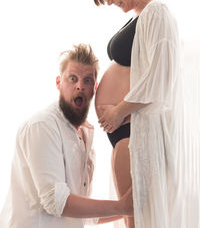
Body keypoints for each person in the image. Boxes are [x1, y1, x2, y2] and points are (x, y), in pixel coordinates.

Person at [90, 0, 189, 228]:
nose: (110, 2)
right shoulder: (139, 15)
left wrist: (119, 110)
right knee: (135, 219)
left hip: (135, 132)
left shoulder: (157, 12)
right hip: (126, 132)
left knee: (141, 220)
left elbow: (160, 78)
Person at [0, 44, 133, 228]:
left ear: (94, 88)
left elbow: (82, 216)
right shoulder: (42, 126)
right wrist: (122, 206)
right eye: (73, 78)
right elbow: (57, 202)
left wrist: (132, 208)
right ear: (58, 83)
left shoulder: (85, 133)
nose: (80, 86)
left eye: (87, 80)